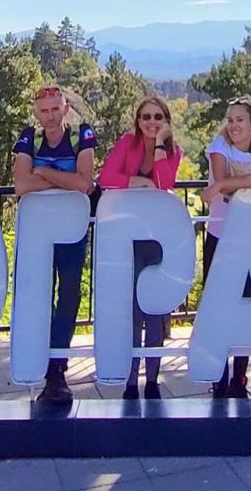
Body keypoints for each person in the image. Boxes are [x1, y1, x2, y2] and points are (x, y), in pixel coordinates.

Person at [13, 84, 97, 404]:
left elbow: (84, 183)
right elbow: (21, 184)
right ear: (36, 112)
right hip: (38, 232)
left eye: (55, 109)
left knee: (69, 297)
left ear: (65, 109)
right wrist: (65, 178)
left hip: (72, 233)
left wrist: (43, 171)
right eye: (43, 111)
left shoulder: (81, 135)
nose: (49, 116)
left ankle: (57, 368)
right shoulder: (29, 137)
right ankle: (40, 362)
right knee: (39, 296)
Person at [97, 95, 183, 400]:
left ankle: (153, 380)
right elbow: (106, 177)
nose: (151, 122)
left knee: (155, 309)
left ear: (166, 120)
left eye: (158, 117)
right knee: (132, 311)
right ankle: (131, 380)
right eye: (146, 117)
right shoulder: (127, 144)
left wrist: (159, 146)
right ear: (138, 120)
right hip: (128, 240)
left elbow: (165, 182)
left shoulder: (173, 151)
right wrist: (138, 182)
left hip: (158, 239)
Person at [201, 96, 251, 399]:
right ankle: (218, 377)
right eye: (230, 120)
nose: (233, 126)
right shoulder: (219, 146)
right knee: (217, 307)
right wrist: (249, 183)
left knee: (245, 307)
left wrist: (229, 184)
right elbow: (223, 180)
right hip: (220, 235)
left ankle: (239, 378)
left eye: (240, 120)